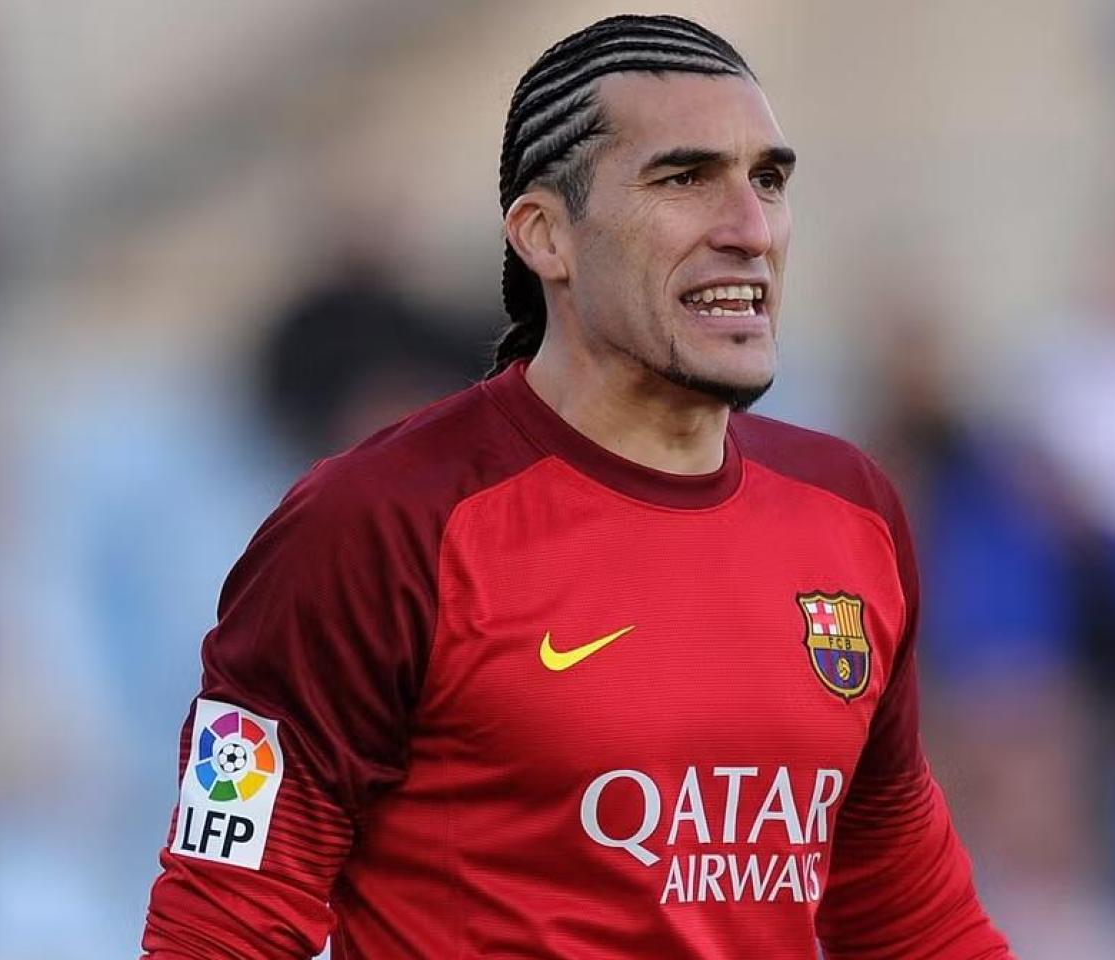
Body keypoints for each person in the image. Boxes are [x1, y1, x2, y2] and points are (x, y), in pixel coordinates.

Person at [142, 14, 1013, 958]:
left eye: (767, 180)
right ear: (545, 236)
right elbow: (221, 922)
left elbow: (907, 913)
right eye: (686, 178)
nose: (750, 229)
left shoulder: (850, 512)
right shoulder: (378, 524)